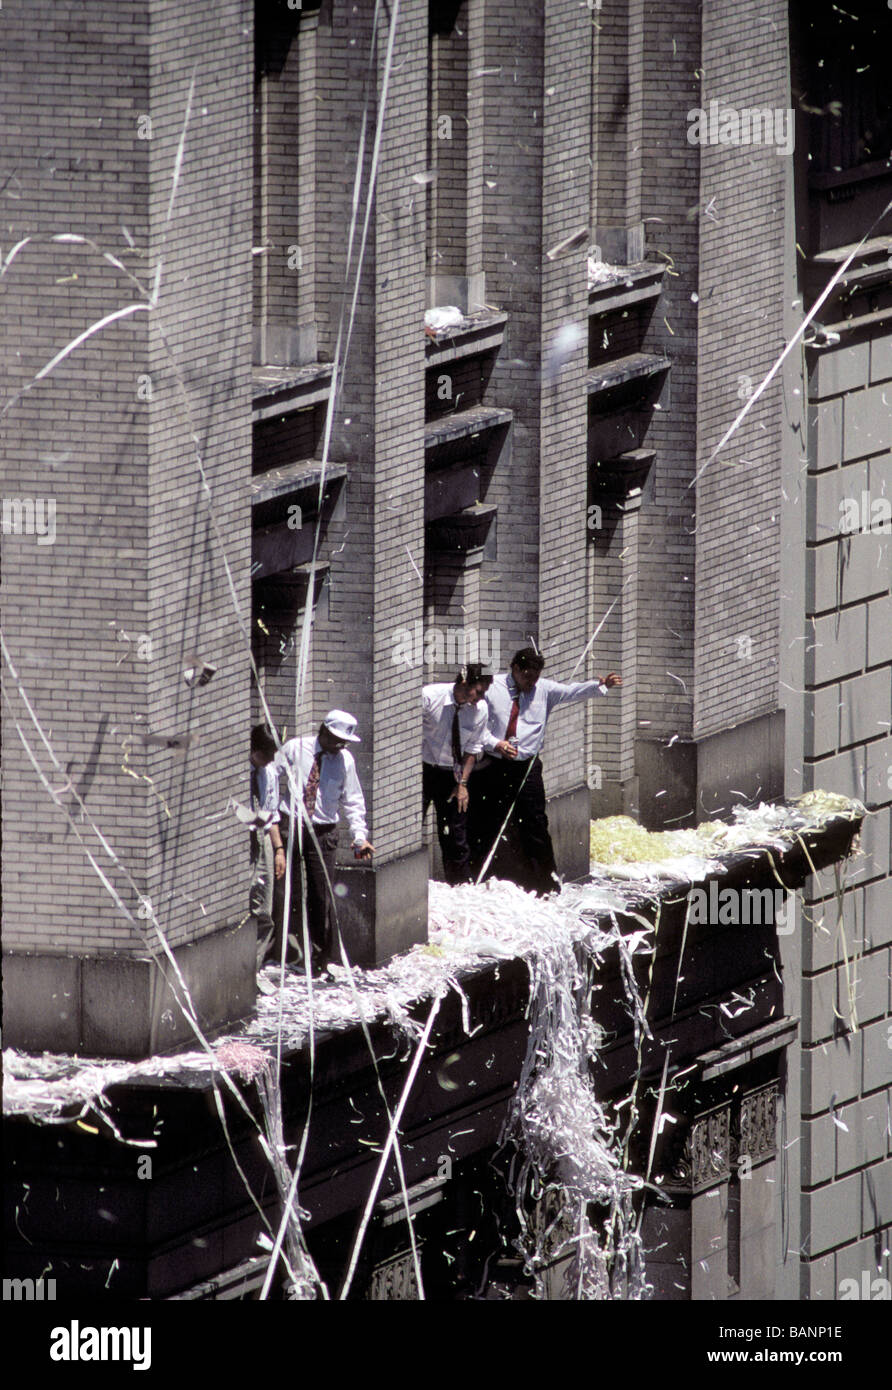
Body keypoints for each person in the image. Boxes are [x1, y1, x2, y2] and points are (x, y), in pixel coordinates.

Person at [470, 647, 621, 895]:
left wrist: (601, 686)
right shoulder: (492, 688)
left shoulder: (544, 690)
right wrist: (496, 744)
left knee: (536, 822)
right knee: (490, 822)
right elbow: (476, 726)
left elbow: (572, 692)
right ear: (515, 669)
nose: (531, 683)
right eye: (527, 676)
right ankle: (486, 879)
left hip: (527, 766)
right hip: (495, 763)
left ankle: (546, 884)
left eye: (536, 677)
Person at [276, 710, 374, 973]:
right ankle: (291, 955)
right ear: (325, 732)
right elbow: (272, 775)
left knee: (321, 895)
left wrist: (359, 836)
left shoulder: (345, 761)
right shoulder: (296, 748)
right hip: (292, 824)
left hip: (323, 830)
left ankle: (319, 959)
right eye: (337, 740)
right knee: (291, 891)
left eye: (345, 743)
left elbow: (353, 800)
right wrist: (272, 815)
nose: (340, 747)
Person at [422, 663, 492, 884]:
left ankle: (459, 887)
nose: (479, 699)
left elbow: (472, 749)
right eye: (478, 692)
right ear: (464, 683)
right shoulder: (429, 697)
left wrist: (462, 783)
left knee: (455, 836)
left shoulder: (480, 709)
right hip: (422, 771)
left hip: (452, 774)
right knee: (413, 826)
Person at [249, 723, 286, 968]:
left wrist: (278, 850)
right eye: (265, 755)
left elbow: (270, 813)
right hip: (241, 838)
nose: (269, 761)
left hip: (261, 837)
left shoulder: (269, 772)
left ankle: (255, 965)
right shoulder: (242, 772)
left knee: (264, 908)